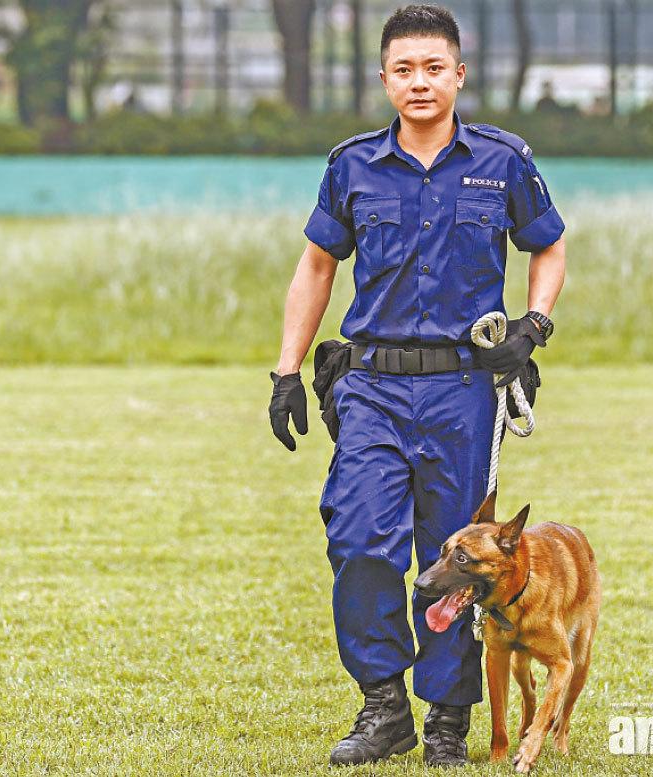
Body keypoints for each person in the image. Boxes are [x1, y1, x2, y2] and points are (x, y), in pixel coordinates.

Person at [267, 4, 567, 769]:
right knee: (359, 537)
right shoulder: (352, 165)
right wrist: (286, 370)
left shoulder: (502, 160)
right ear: (384, 79)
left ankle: (446, 720)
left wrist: (534, 325)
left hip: (465, 393)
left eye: (434, 67)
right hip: (371, 387)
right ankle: (384, 706)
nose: (420, 81)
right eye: (404, 69)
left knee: (461, 559)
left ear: (459, 74)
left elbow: (550, 247)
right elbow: (316, 266)